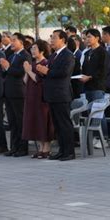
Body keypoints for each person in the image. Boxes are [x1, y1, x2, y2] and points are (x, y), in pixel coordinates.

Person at [36, 30, 75, 161]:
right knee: (57, 125)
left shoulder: (68, 55)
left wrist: (47, 71)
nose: (51, 40)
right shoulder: (53, 55)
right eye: (51, 38)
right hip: (52, 94)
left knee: (64, 124)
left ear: (63, 40)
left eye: (54, 38)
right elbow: (49, 73)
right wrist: (42, 71)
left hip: (61, 94)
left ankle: (69, 152)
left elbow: (64, 72)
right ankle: (61, 150)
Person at [0, 32, 32, 157]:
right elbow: (7, 72)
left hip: (19, 92)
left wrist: (7, 68)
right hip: (9, 92)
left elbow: (21, 73)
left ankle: (23, 148)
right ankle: (14, 147)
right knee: (12, 122)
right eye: (11, 40)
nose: (11, 43)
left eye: (14, 40)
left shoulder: (25, 55)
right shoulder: (12, 55)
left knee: (20, 121)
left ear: (21, 42)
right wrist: (4, 68)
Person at [22, 40, 54, 159]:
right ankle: (40, 148)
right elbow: (26, 81)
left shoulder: (45, 62)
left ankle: (47, 149)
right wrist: (27, 71)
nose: (32, 51)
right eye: (31, 49)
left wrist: (29, 70)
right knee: (36, 122)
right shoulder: (33, 63)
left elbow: (37, 79)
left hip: (41, 97)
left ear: (42, 50)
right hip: (31, 97)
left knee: (43, 122)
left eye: (35, 48)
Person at [80, 29, 107, 102]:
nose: (87, 39)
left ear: (97, 38)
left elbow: (103, 70)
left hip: (97, 87)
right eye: (86, 37)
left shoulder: (103, 52)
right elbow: (84, 68)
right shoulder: (87, 53)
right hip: (87, 87)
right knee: (89, 111)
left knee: (97, 110)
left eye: (89, 37)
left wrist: (90, 77)